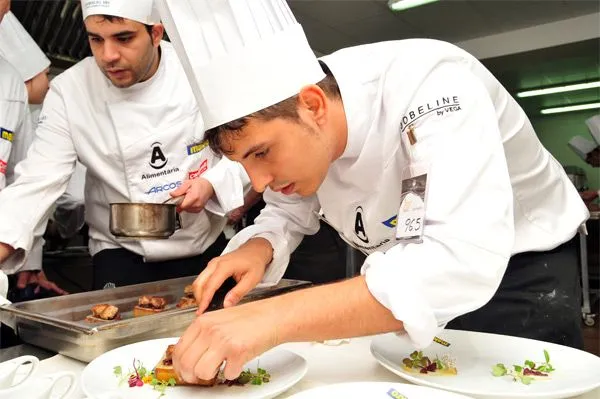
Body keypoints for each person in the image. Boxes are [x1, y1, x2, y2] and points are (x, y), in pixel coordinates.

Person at [155, 0, 590, 383]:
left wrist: (270, 317)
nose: (261, 180)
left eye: (263, 153)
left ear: (313, 105)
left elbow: (456, 258)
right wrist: (257, 248)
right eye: (245, 164)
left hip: (523, 273)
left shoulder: (433, 83)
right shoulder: (306, 129)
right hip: (402, 283)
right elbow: (288, 209)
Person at [0, 0, 247, 291]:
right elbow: (36, 183)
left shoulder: (198, 71)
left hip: (204, 247)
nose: (108, 56)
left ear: (156, 33)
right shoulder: (70, 92)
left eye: (124, 38)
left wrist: (211, 184)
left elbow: (248, 150)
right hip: (119, 254)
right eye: (96, 39)